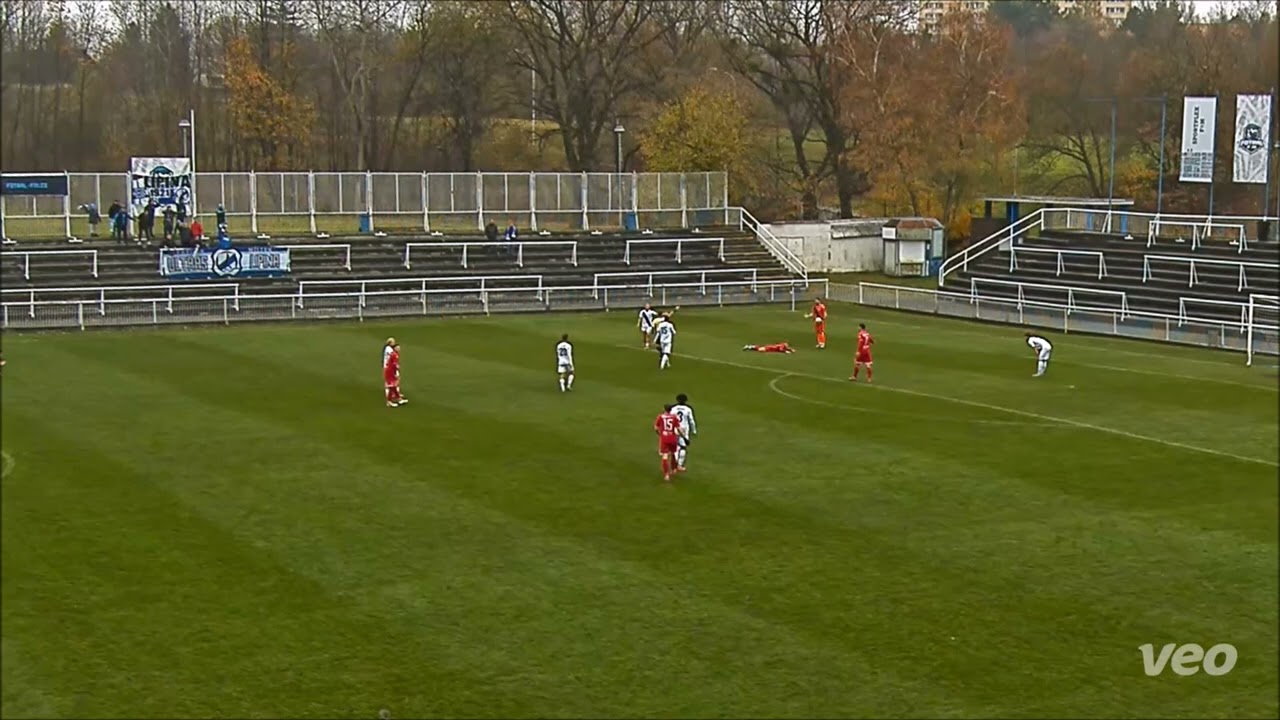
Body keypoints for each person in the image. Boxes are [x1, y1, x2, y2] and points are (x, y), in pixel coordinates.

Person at [653, 403, 682, 482]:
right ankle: (674, 469)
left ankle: (666, 475)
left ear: (664, 409)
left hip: (664, 438)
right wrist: (682, 435)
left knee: (665, 456)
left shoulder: (660, 417)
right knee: (673, 453)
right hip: (672, 437)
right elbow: (678, 428)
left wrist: (659, 434)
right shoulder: (674, 417)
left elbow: (656, 427)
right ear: (671, 410)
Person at [671, 393, 697, 473]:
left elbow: (671, 418)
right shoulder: (688, 409)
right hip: (684, 429)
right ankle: (680, 465)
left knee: (676, 447)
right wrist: (694, 430)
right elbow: (691, 421)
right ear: (686, 400)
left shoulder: (674, 408)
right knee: (683, 447)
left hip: (675, 429)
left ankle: (674, 466)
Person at [383, 337, 407, 407]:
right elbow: (394, 365)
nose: (399, 349)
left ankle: (398, 398)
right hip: (390, 372)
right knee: (391, 385)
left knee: (393, 385)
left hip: (390, 370)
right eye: (398, 348)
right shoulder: (394, 354)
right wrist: (396, 372)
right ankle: (389, 401)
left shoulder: (394, 354)